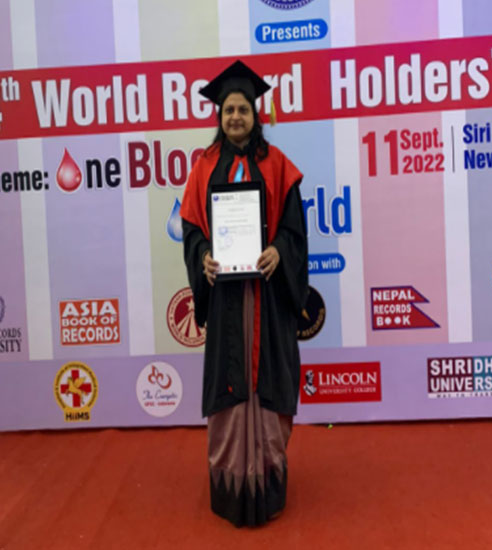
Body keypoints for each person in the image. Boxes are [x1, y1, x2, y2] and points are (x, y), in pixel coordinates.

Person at [180, 60, 308, 527]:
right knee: (229, 383)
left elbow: (294, 231)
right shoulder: (204, 167)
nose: (236, 117)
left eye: (243, 110)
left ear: (256, 115)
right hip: (228, 301)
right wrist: (203, 258)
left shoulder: (278, 166)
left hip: (268, 300)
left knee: (270, 379)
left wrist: (277, 250)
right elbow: (193, 231)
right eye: (229, 110)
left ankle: (267, 480)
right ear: (219, 115)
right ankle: (232, 483)